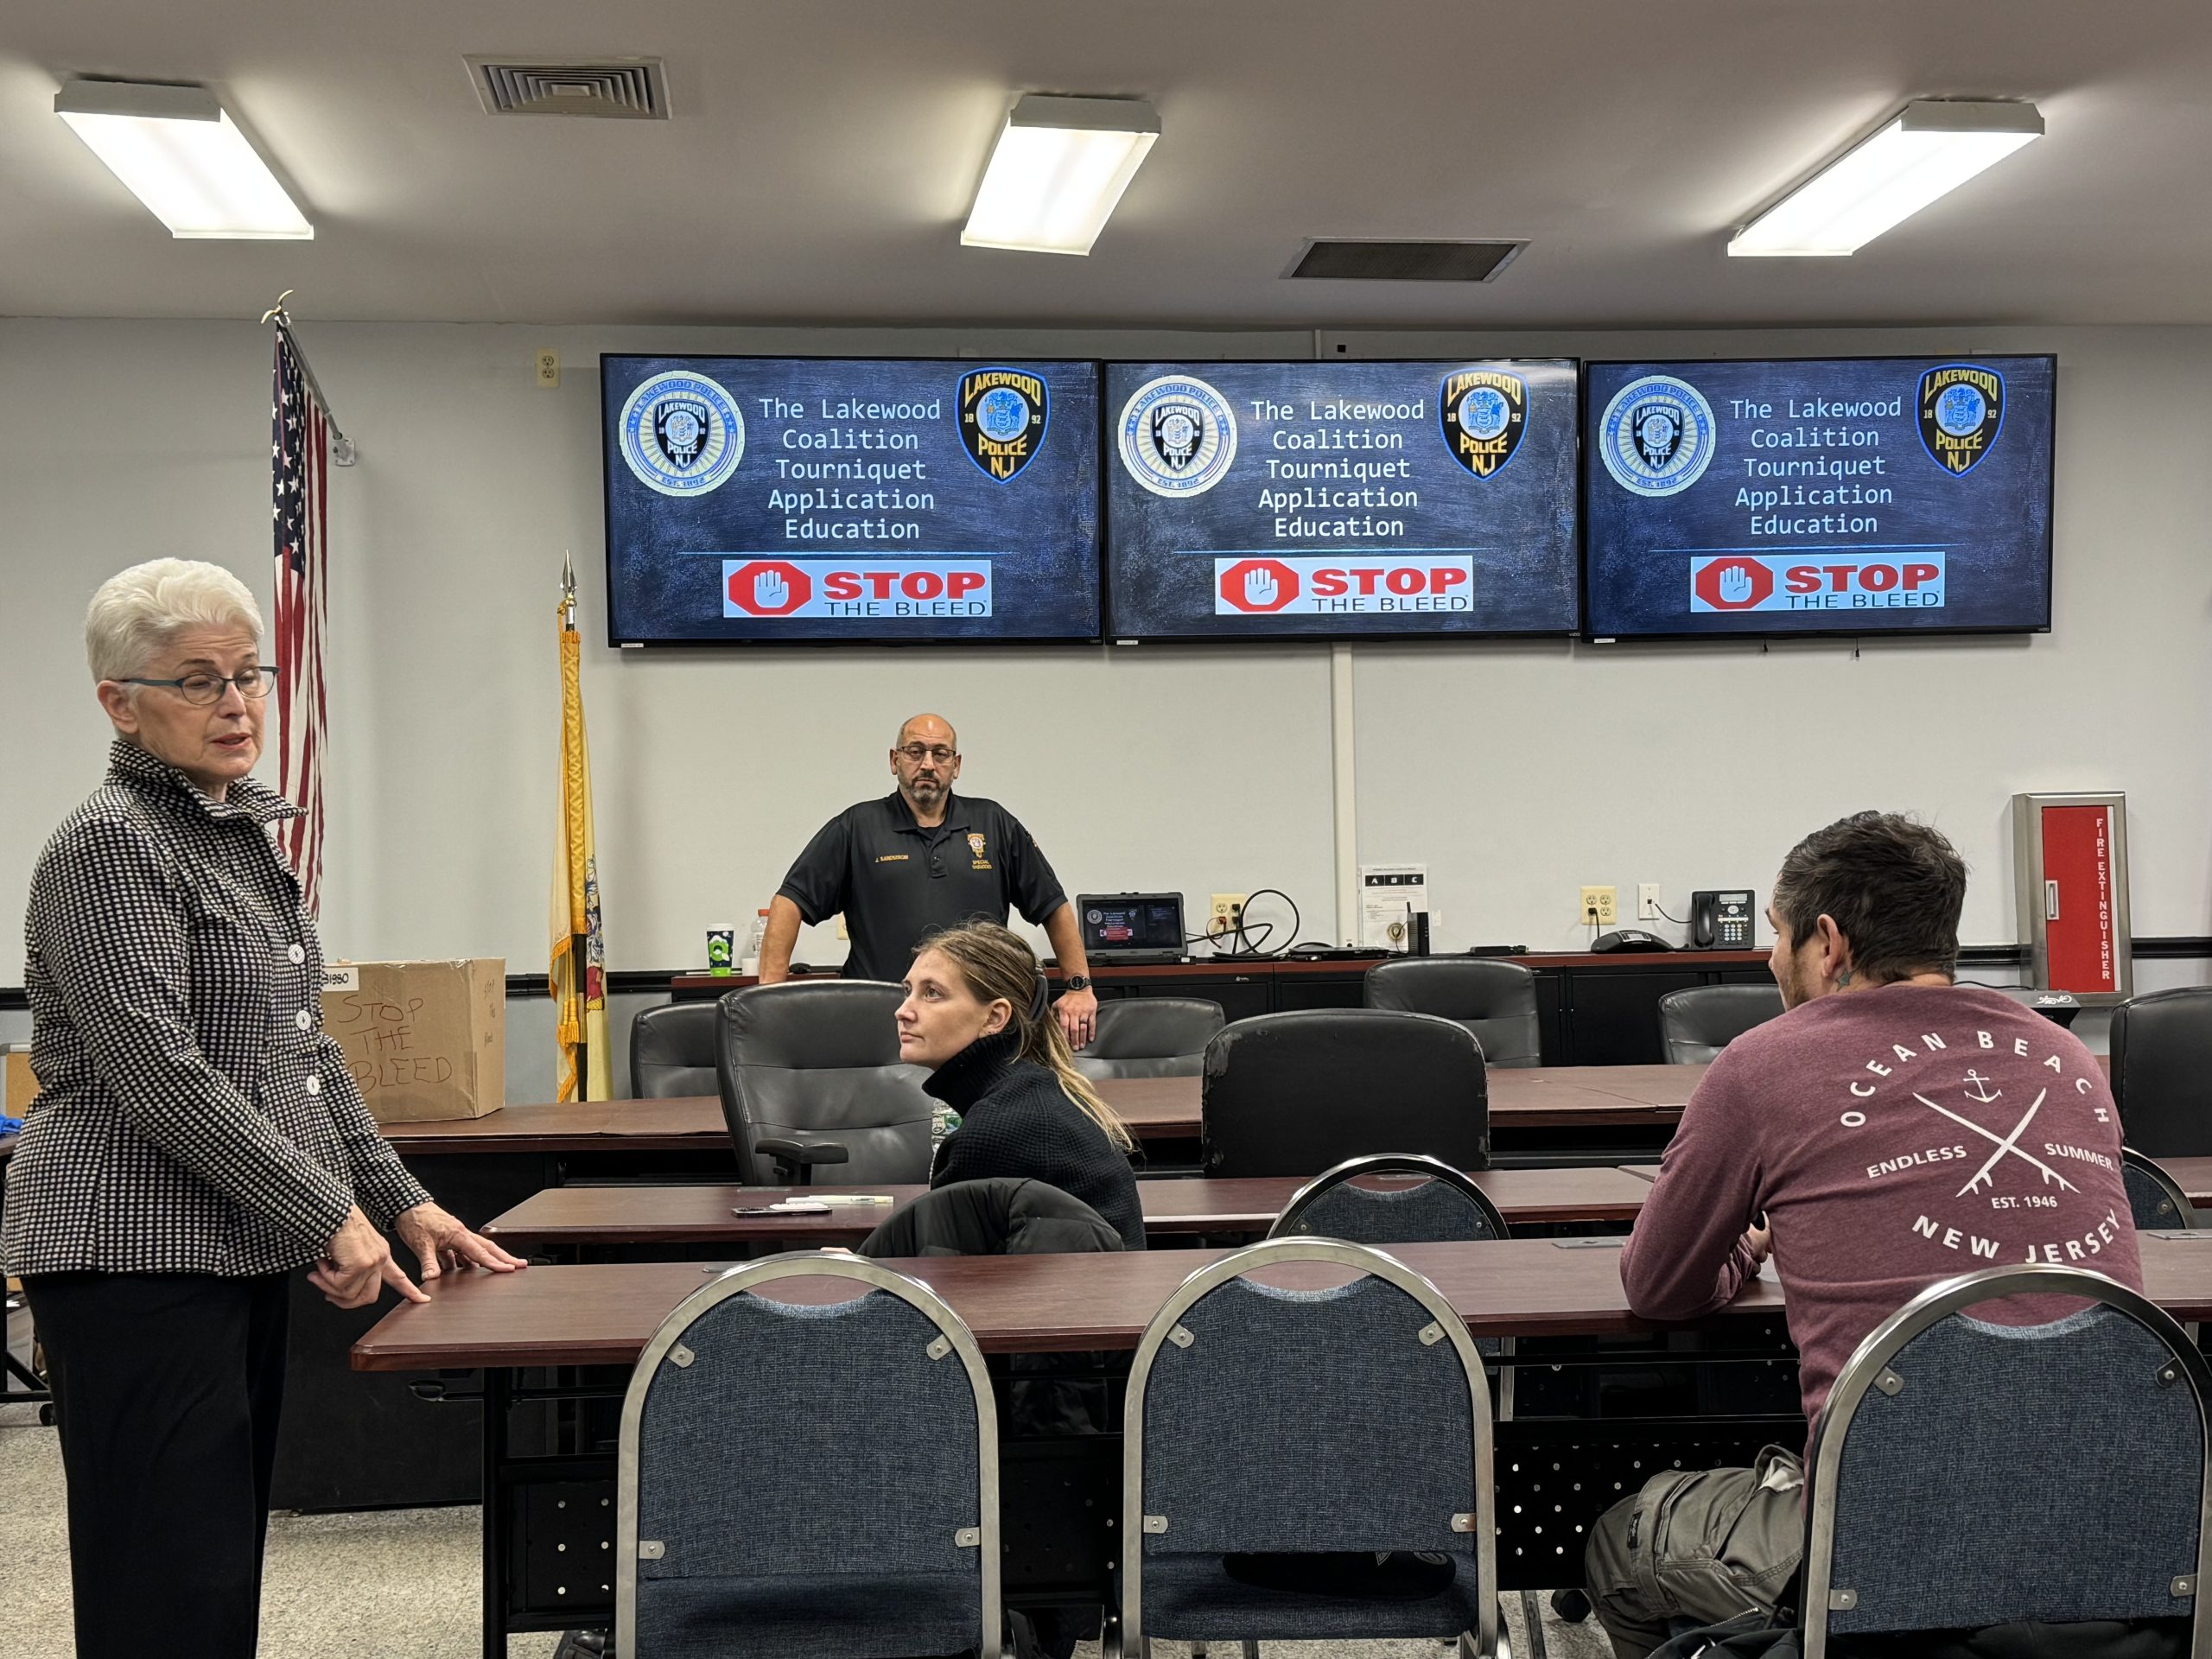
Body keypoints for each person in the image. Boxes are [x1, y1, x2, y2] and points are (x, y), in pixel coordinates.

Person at [2, 559, 525, 1659]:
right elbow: (160, 1072)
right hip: (127, 1252)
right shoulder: (111, 842)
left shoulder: (233, 832)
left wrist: (402, 1202)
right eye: (199, 681)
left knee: (214, 1566)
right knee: (166, 1580)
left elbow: (299, 1051)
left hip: (225, 1241)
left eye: (250, 674)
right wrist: (327, 1214)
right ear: (120, 703)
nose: (238, 704)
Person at [1584, 812, 2144, 1659]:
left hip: (1883, 1540)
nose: (1770, 960)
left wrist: (1749, 1249)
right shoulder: (2066, 1059)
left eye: (1778, 935)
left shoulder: (1760, 1065)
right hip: (2120, 1527)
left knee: (1619, 1540)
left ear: (1829, 942)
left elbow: (1657, 1288)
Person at [760, 713, 1100, 1048]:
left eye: (940, 754)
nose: (927, 764)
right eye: (915, 752)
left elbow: (1053, 905)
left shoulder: (994, 822)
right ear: (894, 761)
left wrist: (1079, 987)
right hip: (882, 1026)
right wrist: (769, 999)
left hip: (979, 1024)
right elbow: (789, 902)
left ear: (956, 765)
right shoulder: (857, 827)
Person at [894, 921, 1142, 1250]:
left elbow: (944, 1272)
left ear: (995, 1018)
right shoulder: (1034, 1093)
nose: (903, 1011)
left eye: (932, 993)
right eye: (908, 991)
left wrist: (863, 1266)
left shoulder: (995, 1133)